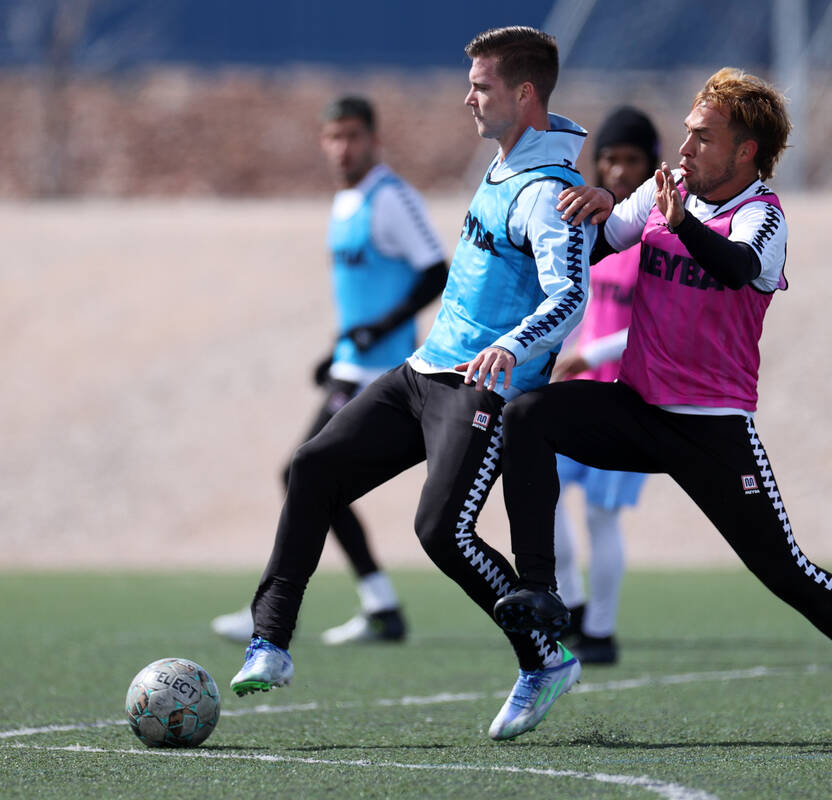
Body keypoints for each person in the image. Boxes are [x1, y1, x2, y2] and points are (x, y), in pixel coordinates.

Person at [492, 67, 832, 741]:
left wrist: (674, 221)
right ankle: (543, 593)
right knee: (528, 416)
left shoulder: (765, 216)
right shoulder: (666, 193)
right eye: (687, 133)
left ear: (746, 150)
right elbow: (601, 240)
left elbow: (734, 266)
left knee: (792, 577)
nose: (686, 147)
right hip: (637, 412)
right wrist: (576, 202)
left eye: (703, 137)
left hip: (713, 434)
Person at [229, 26, 595, 742]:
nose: (468, 97)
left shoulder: (550, 192)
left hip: (480, 388)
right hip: (423, 371)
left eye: (481, 85)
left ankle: (544, 659)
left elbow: (568, 298)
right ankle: (270, 641)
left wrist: (509, 349)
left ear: (524, 95)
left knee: (442, 532)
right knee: (313, 467)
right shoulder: (505, 164)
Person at [210, 96, 448, 647]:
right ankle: (380, 606)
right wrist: (339, 348)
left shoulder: (390, 197)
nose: (343, 148)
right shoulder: (345, 202)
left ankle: (273, 612)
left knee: (305, 474)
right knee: (312, 478)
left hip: (385, 375)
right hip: (353, 365)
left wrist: (382, 328)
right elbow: (361, 296)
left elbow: (436, 270)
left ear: (374, 140)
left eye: (353, 136)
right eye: (334, 137)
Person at [550, 106, 659, 665]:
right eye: (609, 159)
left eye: (631, 160)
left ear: (652, 165)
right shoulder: (590, 233)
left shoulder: (659, 238)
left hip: (624, 396)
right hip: (572, 392)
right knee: (541, 491)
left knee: (601, 515)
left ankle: (602, 631)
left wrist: (591, 354)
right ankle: (570, 605)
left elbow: (652, 328)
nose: (618, 171)